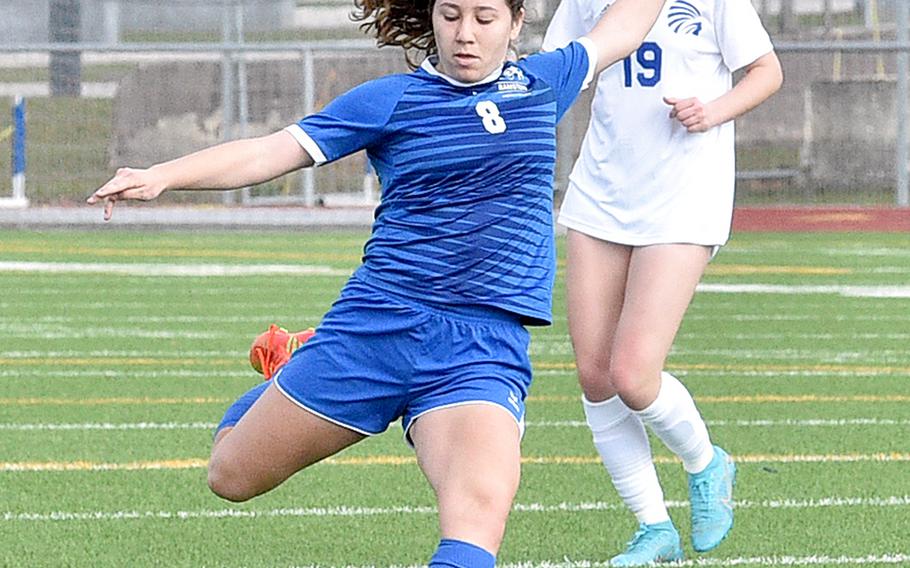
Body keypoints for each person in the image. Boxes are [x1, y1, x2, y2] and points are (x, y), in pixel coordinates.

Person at [86, 0, 667, 564]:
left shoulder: (546, 81)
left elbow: (626, 24)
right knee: (230, 476)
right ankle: (298, 365)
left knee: (479, 513)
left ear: (516, 22)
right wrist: (161, 175)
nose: (466, 32)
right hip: (377, 326)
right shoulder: (392, 100)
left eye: (484, 18)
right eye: (450, 15)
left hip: (481, 347)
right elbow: (270, 152)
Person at [542, 0, 782, 565]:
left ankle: (706, 462)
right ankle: (654, 527)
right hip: (601, 187)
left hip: (683, 193)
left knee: (632, 373)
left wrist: (714, 109)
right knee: (595, 375)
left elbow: (767, 71)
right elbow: (561, 67)